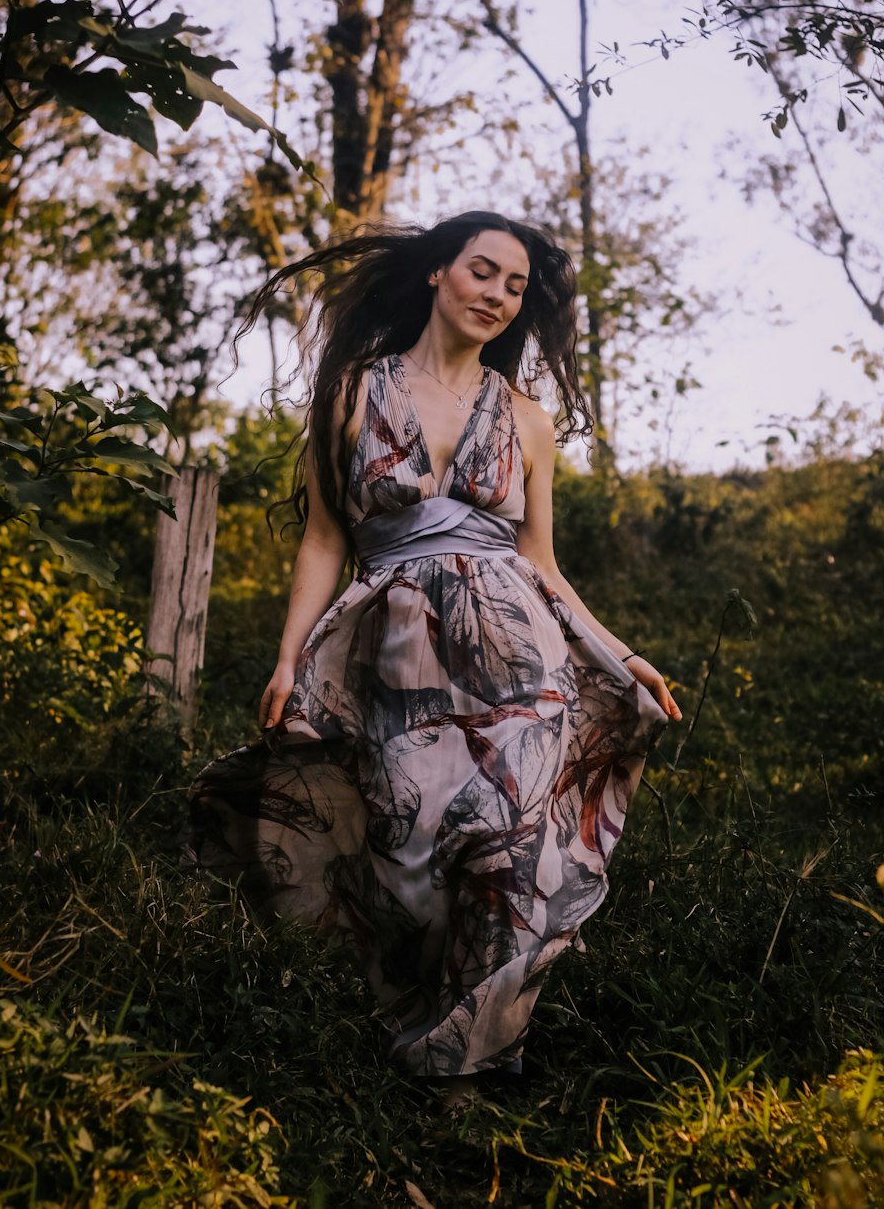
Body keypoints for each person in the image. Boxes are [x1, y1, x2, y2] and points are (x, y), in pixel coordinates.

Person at [186, 210, 681, 1099]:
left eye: (514, 285)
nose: (497, 294)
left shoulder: (527, 419)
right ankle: (419, 1021)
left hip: (518, 661)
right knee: (409, 855)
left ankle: (473, 1059)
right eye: (482, 271)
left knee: (508, 850)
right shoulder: (351, 392)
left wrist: (620, 653)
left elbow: (541, 563)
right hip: (396, 656)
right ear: (435, 274)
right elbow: (325, 541)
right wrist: (289, 658)